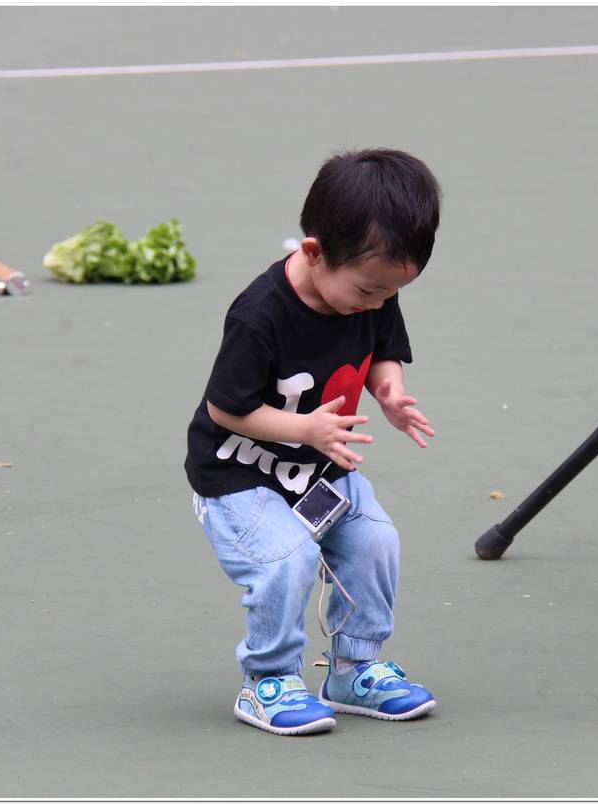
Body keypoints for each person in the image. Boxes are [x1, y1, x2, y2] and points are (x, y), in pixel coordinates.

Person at [185, 148, 441, 736]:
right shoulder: (260, 314)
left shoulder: (374, 287)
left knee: (374, 541)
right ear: (313, 252)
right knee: (287, 558)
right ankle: (268, 680)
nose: (378, 303)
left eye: (390, 292)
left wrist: (391, 391)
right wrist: (305, 430)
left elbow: (383, 349)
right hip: (239, 474)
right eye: (368, 291)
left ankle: (355, 668)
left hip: (318, 470)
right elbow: (225, 407)